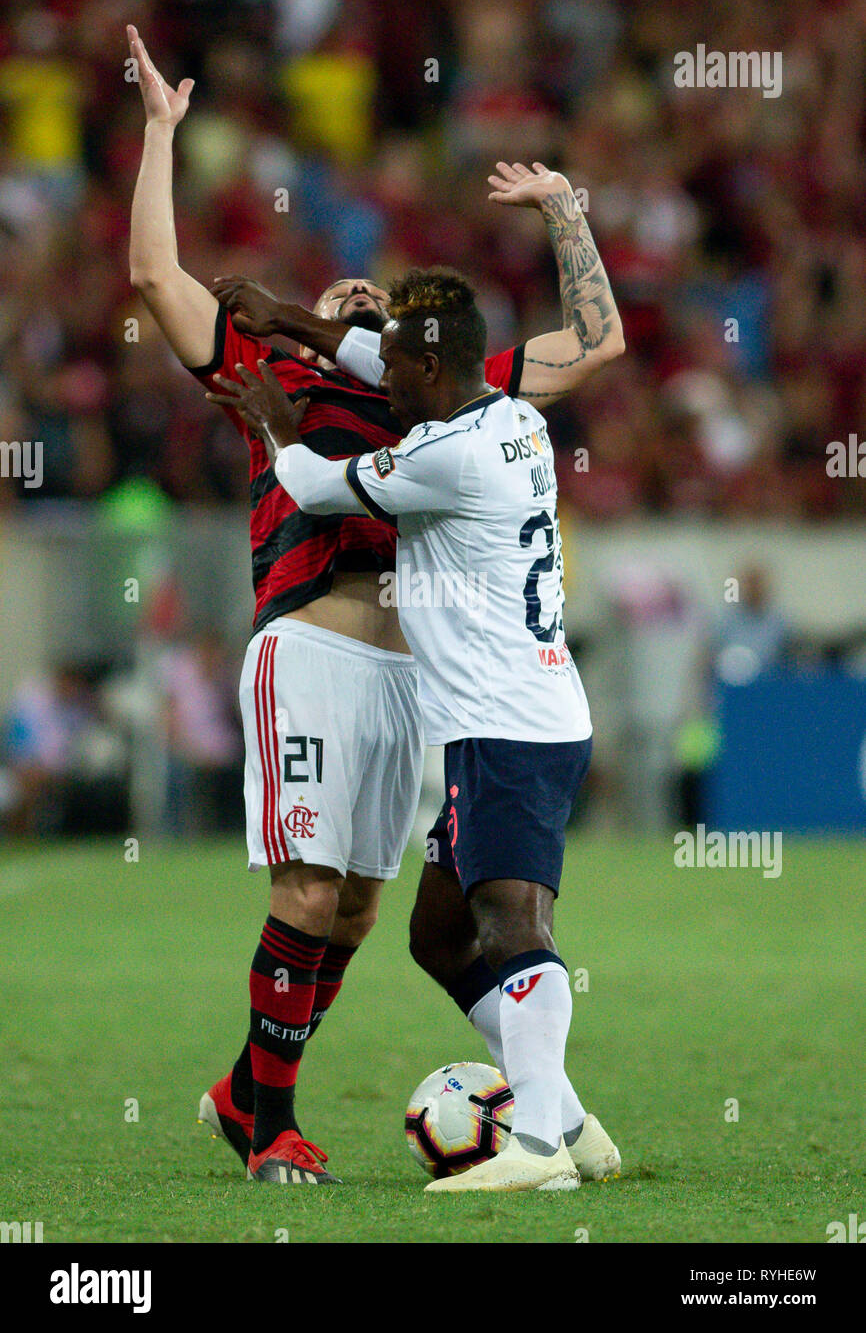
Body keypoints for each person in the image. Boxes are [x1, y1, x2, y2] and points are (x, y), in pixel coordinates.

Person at [126, 26, 619, 1184]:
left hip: (420, 681)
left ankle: (246, 1087)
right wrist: (159, 136)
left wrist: (561, 210)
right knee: (306, 890)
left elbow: (591, 346)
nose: (362, 298)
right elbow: (155, 277)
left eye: (382, 306)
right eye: (346, 291)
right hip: (317, 640)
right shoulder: (275, 371)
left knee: (353, 914)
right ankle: (270, 1124)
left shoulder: (444, 412)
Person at [212, 268, 622, 1192]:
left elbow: (317, 488)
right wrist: (290, 319)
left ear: (430, 365)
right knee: (437, 934)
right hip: (527, 710)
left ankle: (540, 1150)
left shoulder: (448, 458)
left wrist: (279, 418)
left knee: (513, 925)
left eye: (393, 362)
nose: (378, 380)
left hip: (503, 723)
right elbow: (380, 356)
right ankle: (563, 1117)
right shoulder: (512, 417)